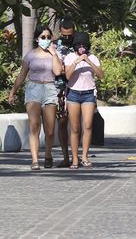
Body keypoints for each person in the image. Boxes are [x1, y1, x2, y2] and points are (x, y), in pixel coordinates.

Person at [8, 26, 63, 170]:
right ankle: (34, 160)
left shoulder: (55, 54)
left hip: (50, 89)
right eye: (43, 37)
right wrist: (13, 91)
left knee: (50, 130)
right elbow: (22, 75)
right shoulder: (30, 55)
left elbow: (58, 71)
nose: (46, 40)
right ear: (37, 39)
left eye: (48, 37)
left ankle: (48, 155)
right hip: (34, 89)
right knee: (34, 126)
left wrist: (54, 54)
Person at [64, 32, 104, 169]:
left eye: (84, 45)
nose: (81, 47)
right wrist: (76, 62)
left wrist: (88, 61)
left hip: (88, 94)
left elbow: (101, 75)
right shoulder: (69, 57)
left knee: (87, 126)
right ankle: (74, 159)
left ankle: (85, 156)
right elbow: (68, 76)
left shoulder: (93, 57)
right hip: (73, 94)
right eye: (79, 45)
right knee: (75, 128)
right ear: (75, 46)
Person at [53, 18, 75, 167]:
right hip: (59, 88)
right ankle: (66, 157)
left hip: (76, 87)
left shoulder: (79, 45)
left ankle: (77, 157)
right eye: (64, 35)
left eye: (70, 35)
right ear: (60, 32)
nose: (67, 38)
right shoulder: (54, 46)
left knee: (76, 124)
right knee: (62, 122)